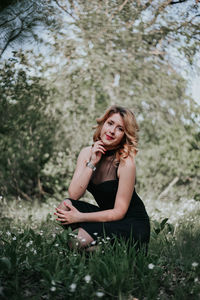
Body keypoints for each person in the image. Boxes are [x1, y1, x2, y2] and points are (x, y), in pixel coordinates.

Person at [54, 105, 150, 252]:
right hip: (107, 218)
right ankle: (95, 245)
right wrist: (92, 162)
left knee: (75, 243)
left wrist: (79, 217)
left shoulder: (126, 162)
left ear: (125, 135)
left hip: (131, 224)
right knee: (65, 206)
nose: (112, 131)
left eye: (120, 129)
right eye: (110, 123)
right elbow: (74, 194)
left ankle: (104, 248)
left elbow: (119, 212)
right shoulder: (87, 153)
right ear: (103, 124)